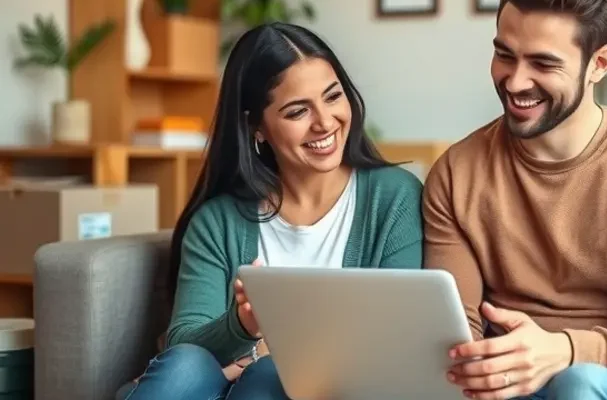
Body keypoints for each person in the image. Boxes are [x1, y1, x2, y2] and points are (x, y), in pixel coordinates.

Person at [422, 1, 607, 400]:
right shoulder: (456, 173)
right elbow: (458, 334)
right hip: (514, 389)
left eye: (543, 64)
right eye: (505, 55)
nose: (515, 82)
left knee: (579, 385)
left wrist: (563, 351)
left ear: (599, 64)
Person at [117, 22, 424, 400]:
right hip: (213, 388)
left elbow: (395, 337)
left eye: (332, 96)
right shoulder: (218, 222)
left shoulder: (394, 199)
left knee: (270, 373)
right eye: (298, 111)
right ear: (256, 127)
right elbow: (185, 344)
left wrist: (258, 355)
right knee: (185, 366)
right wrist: (243, 326)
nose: (325, 122)